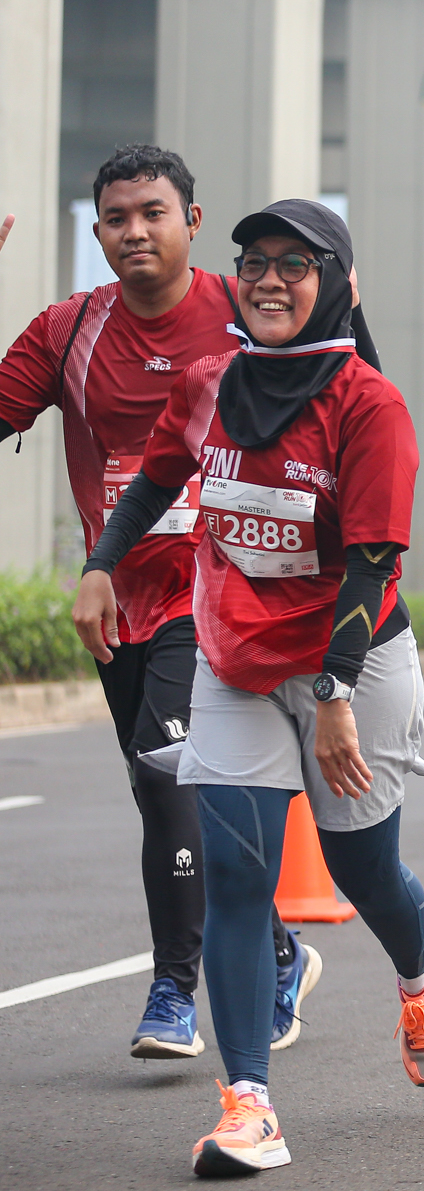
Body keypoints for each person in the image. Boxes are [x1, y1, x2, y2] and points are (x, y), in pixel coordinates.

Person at [74, 200, 424, 1176]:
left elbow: (373, 563)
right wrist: (102, 563)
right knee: (239, 873)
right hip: (235, 658)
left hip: (352, 664)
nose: (270, 279)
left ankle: (418, 972)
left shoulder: (369, 405)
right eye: (254, 262)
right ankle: (250, 1103)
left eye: (295, 263)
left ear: (335, 283)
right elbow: (156, 477)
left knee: (363, 870)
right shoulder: (209, 381)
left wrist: (333, 692)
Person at [0, 147, 306, 1064]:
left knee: (171, 769)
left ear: (192, 222)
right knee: (168, 788)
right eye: (116, 217)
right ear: (97, 231)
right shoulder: (68, 331)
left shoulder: (247, 312)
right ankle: (277, 947)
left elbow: (342, 399)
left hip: (224, 594)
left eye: (153, 212)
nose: (134, 230)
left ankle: (176, 987)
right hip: (117, 600)